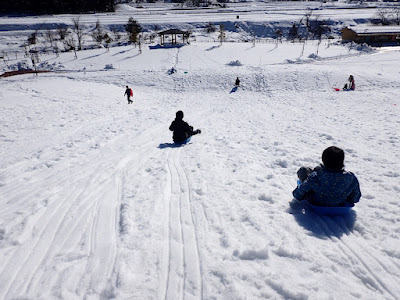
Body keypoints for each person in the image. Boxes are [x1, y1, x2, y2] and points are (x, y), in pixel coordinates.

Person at [293, 146, 361, 207]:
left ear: (323, 160)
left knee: (304, 170)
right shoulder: (350, 177)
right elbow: (356, 198)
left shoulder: (316, 176)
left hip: (316, 202)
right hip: (340, 203)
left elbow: (297, 195)